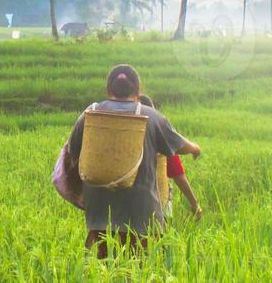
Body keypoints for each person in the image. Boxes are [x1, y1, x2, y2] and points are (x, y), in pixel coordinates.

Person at [63, 65, 200, 258]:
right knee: (142, 271)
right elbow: (179, 145)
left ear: (109, 89)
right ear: (137, 91)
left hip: (100, 211)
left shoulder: (89, 114)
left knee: (103, 270)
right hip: (142, 211)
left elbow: (72, 153)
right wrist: (195, 147)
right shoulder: (151, 116)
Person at [139, 95, 202, 219]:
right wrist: (194, 204)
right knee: (158, 236)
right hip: (156, 200)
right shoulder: (159, 138)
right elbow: (178, 176)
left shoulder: (120, 140)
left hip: (119, 202)